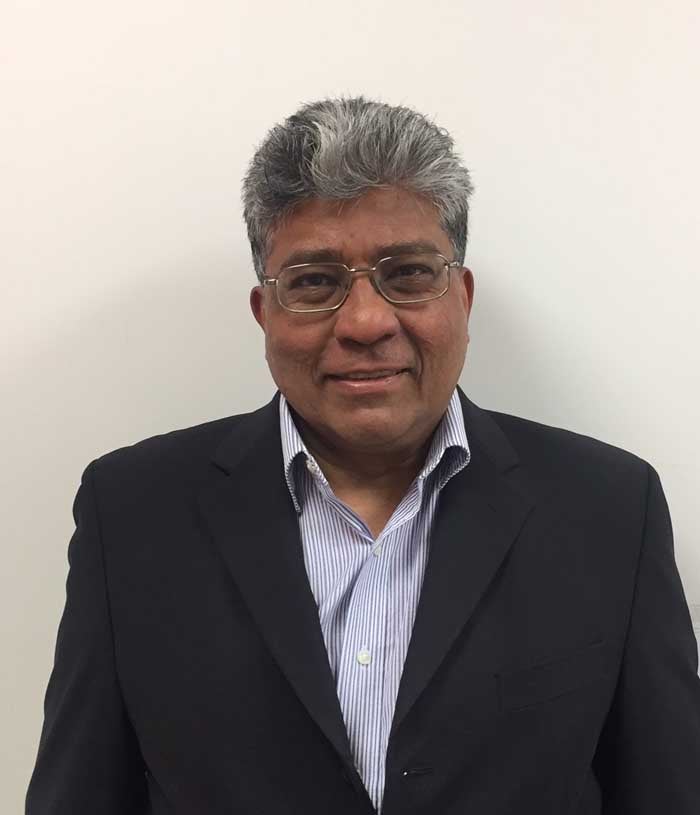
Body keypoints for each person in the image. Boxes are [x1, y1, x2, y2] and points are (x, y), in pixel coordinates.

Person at [26, 96, 700, 815]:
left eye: (407, 273)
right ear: (265, 313)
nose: (367, 321)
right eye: (315, 282)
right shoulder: (130, 514)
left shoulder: (610, 510)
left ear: (462, 298)